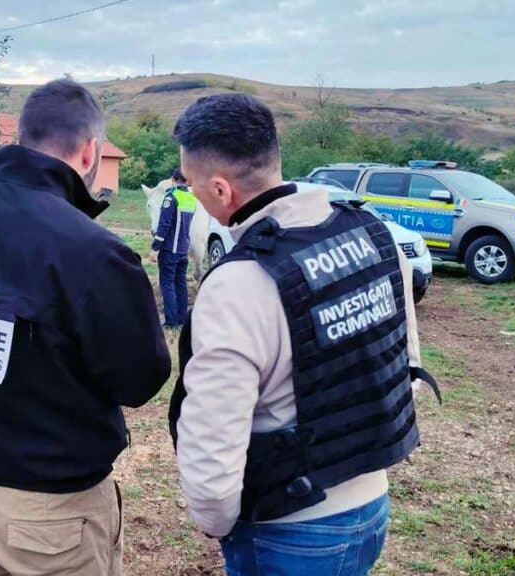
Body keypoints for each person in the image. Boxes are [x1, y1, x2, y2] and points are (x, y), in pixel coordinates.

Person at [0, 79, 171, 576]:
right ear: (89, 153)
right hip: (55, 518)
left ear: (21, 138)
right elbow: (140, 380)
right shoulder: (92, 251)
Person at [167, 94, 439, 575]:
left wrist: (218, 520)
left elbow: (213, 445)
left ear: (220, 190)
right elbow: (403, 367)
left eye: (191, 184)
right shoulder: (373, 234)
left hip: (287, 530)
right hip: (370, 505)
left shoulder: (239, 284)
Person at [150, 168, 197, 329]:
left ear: (173, 179)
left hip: (170, 249)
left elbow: (164, 225)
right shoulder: (191, 199)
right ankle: (181, 319)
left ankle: (170, 322)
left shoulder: (171, 197)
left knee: (167, 284)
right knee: (181, 283)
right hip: (184, 249)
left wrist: (155, 247)